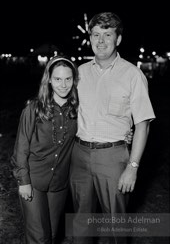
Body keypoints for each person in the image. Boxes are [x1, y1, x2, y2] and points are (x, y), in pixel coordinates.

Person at [69, 12, 156, 244]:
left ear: (118, 39)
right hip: (79, 154)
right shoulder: (79, 73)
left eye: (107, 35)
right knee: (81, 221)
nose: (100, 41)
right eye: (96, 34)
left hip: (113, 156)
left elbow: (142, 124)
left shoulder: (132, 75)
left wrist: (133, 167)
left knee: (116, 224)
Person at [11, 55, 79, 244]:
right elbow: (21, 148)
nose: (63, 84)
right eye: (58, 79)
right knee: (39, 238)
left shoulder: (77, 110)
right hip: (33, 181)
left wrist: (126, 135)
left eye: (68, 79)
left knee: (52, 236)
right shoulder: (33, 109)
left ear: (74, 80)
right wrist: (23, 181)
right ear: (49, 79)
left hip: (59, 183)